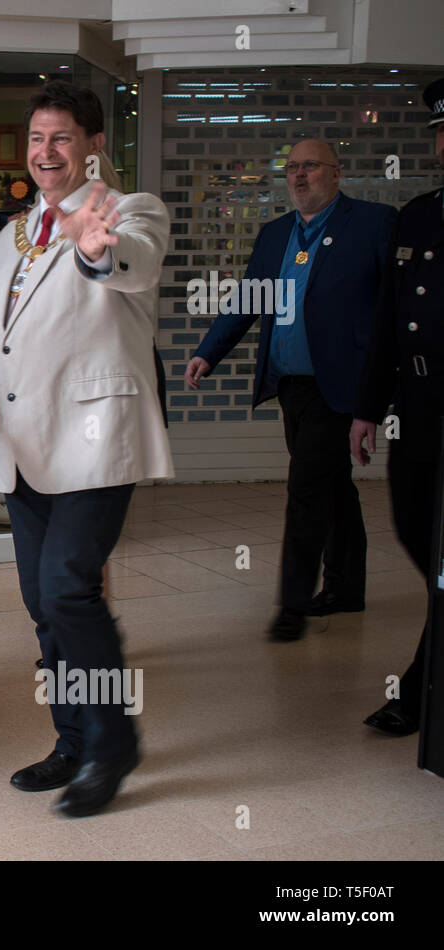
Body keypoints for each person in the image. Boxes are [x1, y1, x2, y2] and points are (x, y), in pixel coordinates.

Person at [0, 81, 172, 818]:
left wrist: (95, 251)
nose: (46, 153)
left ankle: (114, 744)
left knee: (69, 590)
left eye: (63, 139)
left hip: (94, 440)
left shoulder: (129, 211)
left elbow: (129, 262)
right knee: (44, 609)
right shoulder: (17, 234)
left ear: (93, 145)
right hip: (22, 446)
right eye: (38, 139)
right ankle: (73, 740)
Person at [186, 139, 396, 642]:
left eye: (310, 167)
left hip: (340, 384)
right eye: (292, 169)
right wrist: (209, 351)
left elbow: (392, 307)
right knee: (333, 486)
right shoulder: (276, 233)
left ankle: (293, 606)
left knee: (306, 490)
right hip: (291, 385)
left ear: (336, 173)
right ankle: (347, 588)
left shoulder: (373, 224)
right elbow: (248, 300)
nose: (299, 176)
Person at [350, 78, 444, 737]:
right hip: (414, 408)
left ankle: (421, 694)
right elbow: (389, 321)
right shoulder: (417, 215)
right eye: (442, 133)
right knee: (417, 535)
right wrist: (366, 407)